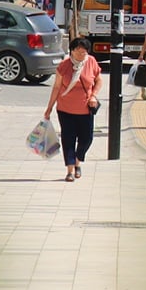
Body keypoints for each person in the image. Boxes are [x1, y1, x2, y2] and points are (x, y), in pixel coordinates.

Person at [42, 38, 102, 182]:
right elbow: (56, 87)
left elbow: (99, 80)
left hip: (85, 109)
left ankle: (77, 160)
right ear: (72, 51)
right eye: (79, 52)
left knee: (87, 139)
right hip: (65, 109)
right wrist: (49, 108)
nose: (82, 55)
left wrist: (93, 96)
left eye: (84, 52)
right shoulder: (64, 66)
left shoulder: (91, 62)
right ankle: (70, 170)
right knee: (68, 140)